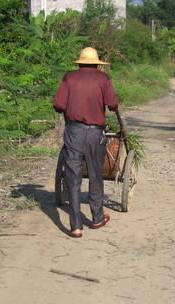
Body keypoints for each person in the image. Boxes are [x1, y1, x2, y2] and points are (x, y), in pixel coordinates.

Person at [53, 47, 119, 238]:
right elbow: (113, 104)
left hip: (73, 132)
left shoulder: (69, 78)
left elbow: (58, 105)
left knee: (73, 179)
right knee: (96, 175)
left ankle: (75, 227)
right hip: (94, 134)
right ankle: (97, 218)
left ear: (79, 62)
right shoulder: (103, 79)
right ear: (97, 64)